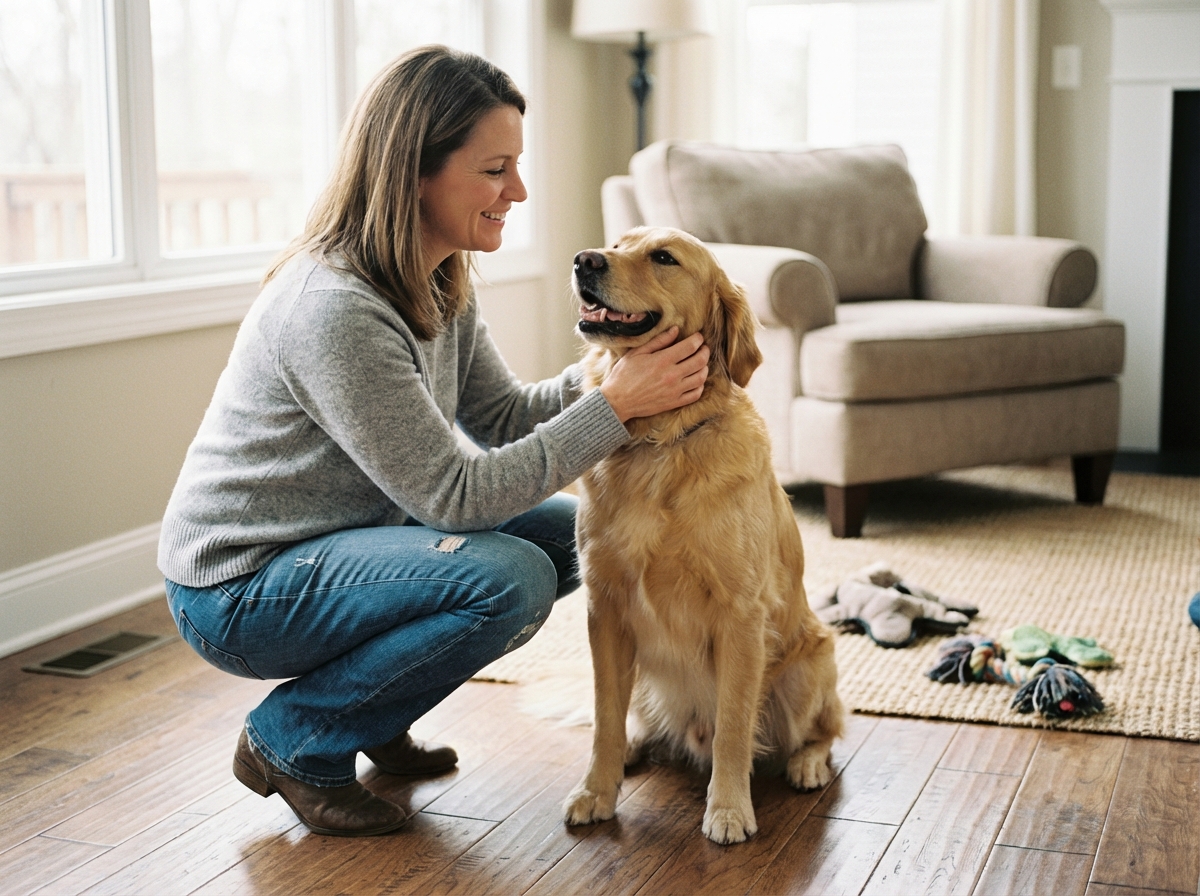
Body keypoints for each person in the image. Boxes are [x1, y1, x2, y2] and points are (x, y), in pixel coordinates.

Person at [157, 45, 709, 837]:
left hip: (344, 542)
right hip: (239, 587)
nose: (517, 191)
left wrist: (613, 366)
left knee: (567, 538)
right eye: (495, 170)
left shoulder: (438, 274)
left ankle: (374, 711)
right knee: (508, 577)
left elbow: (506, 416)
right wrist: (616, 408)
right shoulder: (336, 307)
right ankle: (296, 740)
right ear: (417, 170)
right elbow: (454, 496)